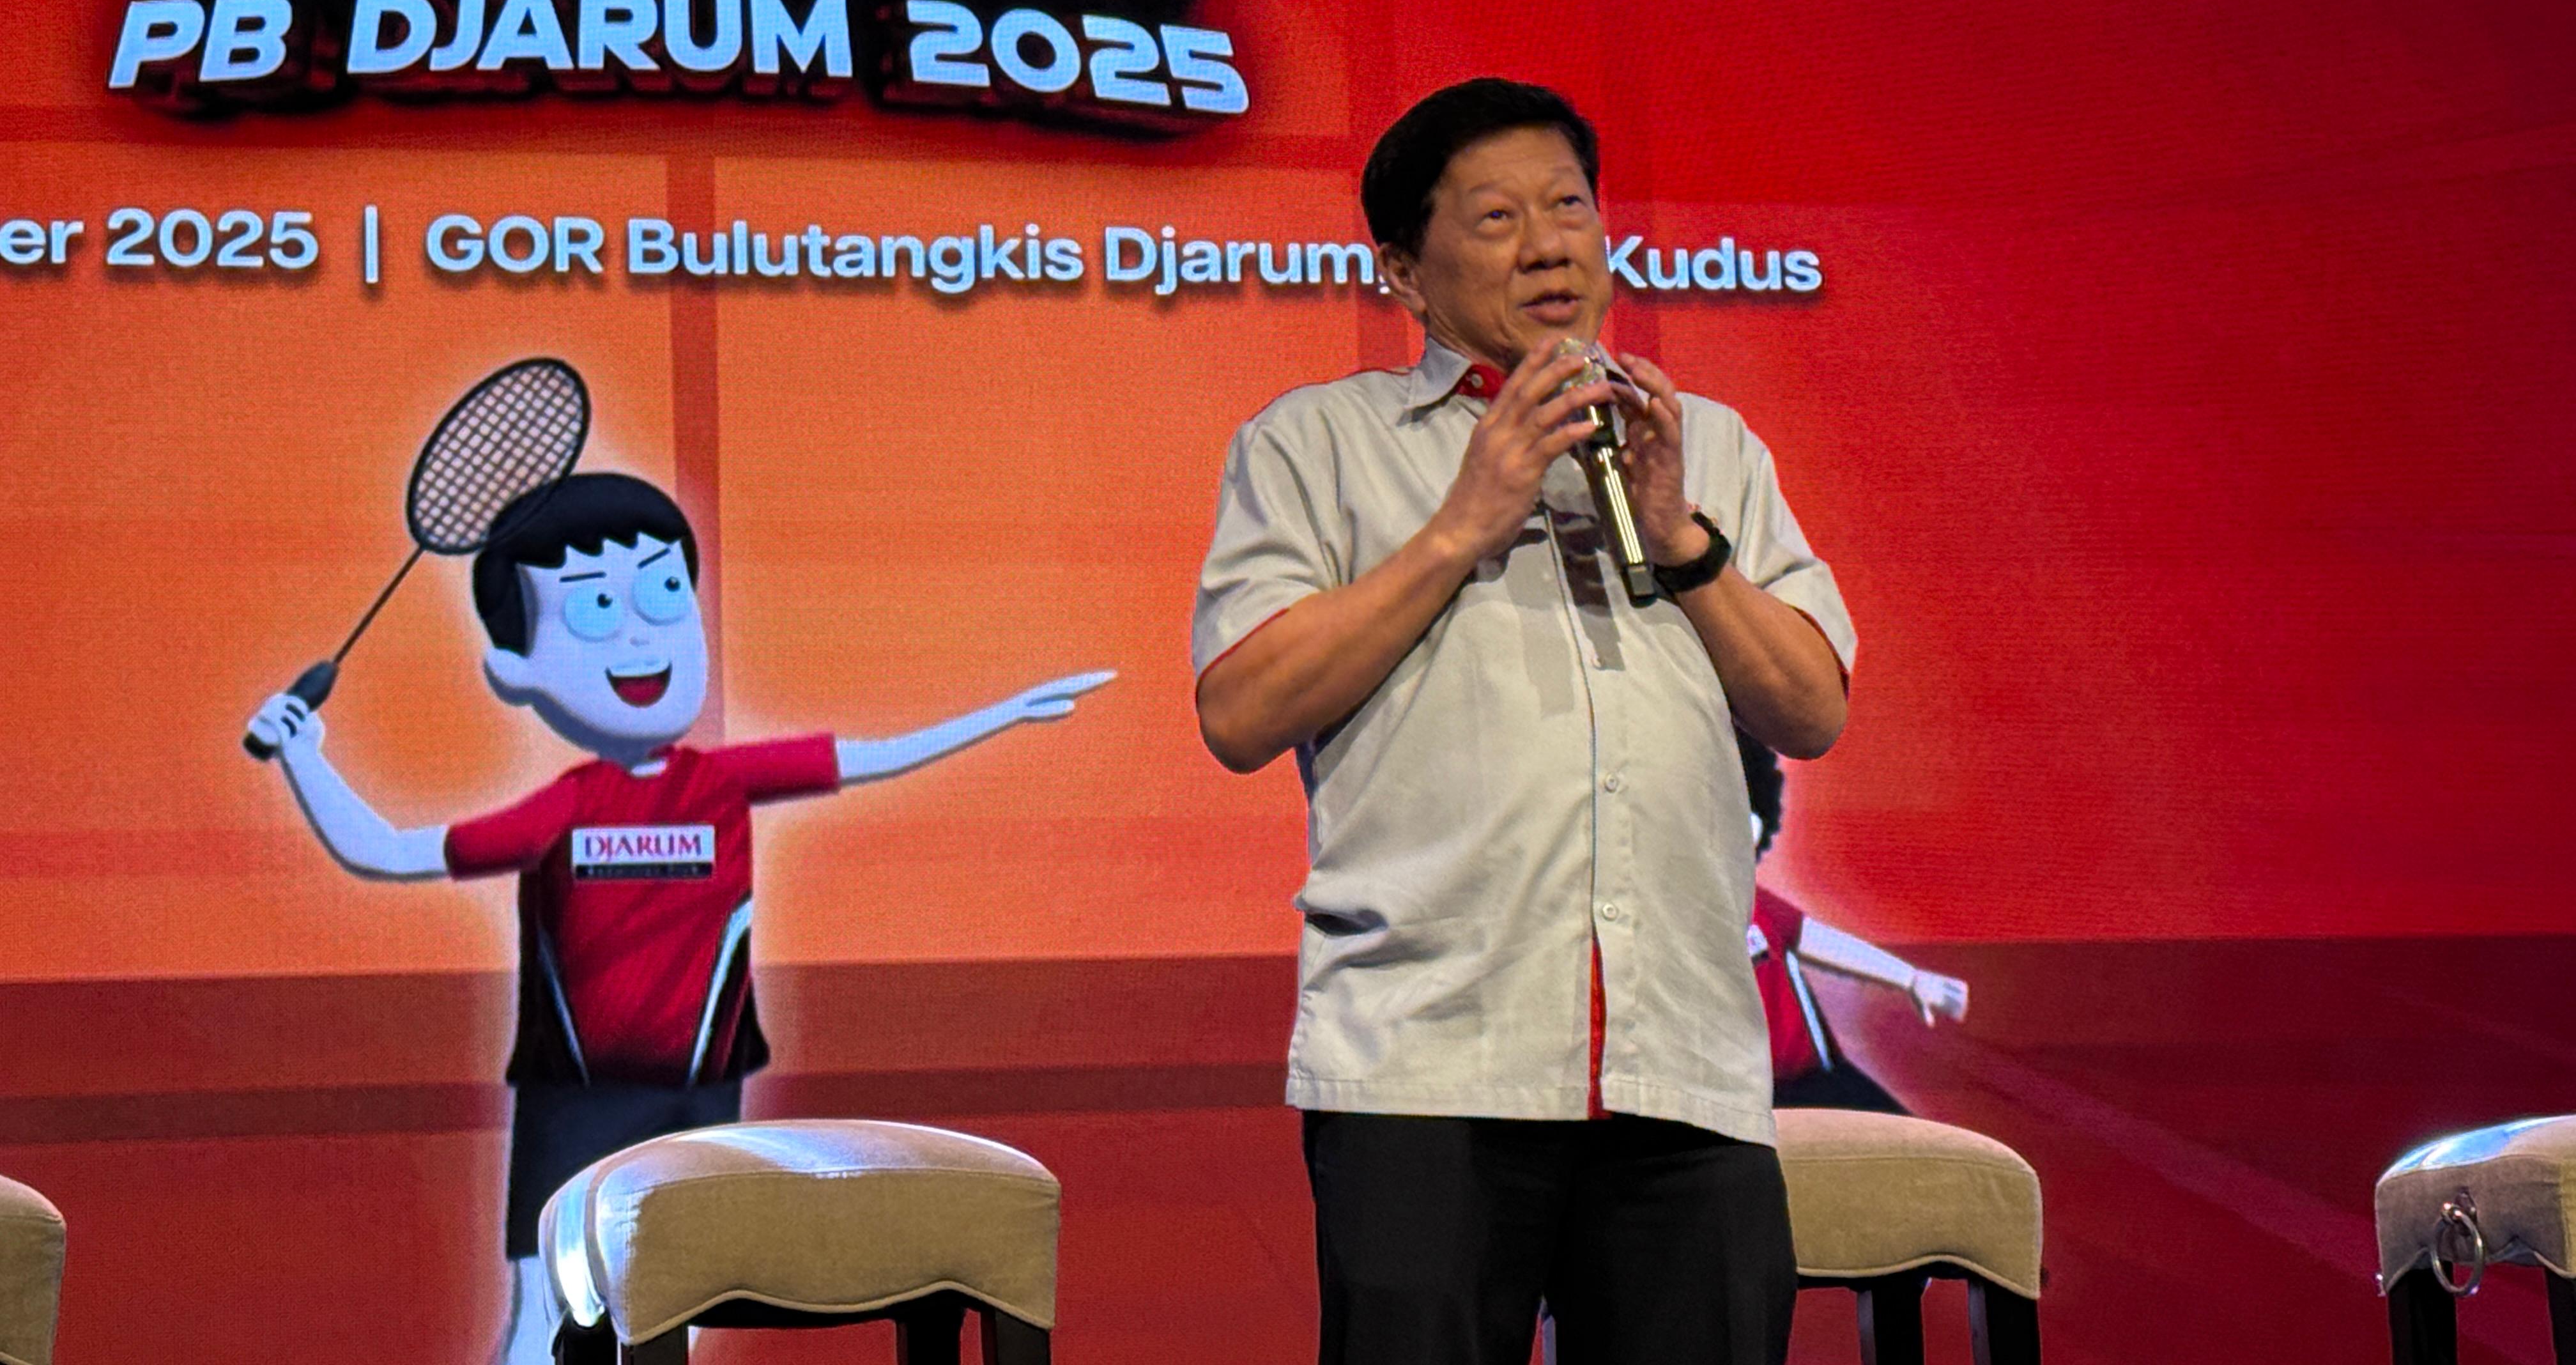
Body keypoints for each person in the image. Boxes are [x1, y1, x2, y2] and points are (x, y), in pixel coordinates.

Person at [1193, 79, 1857, 1365]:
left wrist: (1680, 539)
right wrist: (1462, 522)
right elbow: (1240, 707)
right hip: (1426, 1070)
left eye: (1569, 206)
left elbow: (1811, 705)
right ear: (1404, 271)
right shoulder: (1317, 444)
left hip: (1684, 1066)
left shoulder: (1710, 448)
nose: (1549, 245)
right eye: (1496, 218)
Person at [244, 470, 1112, 1365]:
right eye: (593, 609)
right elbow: (389, 850)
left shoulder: (721, 784)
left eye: (665, 594)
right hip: (577, 1102)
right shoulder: (566, 808)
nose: (638, 635)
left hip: (700, 1094)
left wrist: (1004, 714)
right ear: (514, 669)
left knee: (677, 1312)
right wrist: (305, 757)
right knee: (548, 1319)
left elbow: (873, 756)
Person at [1735, 732, 1966, 1113]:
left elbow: (1822, 943)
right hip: (1744, 1101)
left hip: (1817, 1080)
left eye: (1742, 810)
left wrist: (1911, 979)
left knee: (1908, 1137)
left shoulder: (1761, 906)